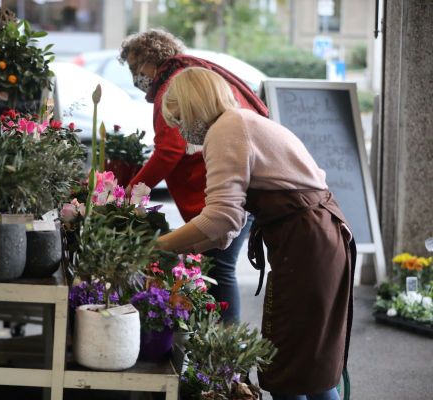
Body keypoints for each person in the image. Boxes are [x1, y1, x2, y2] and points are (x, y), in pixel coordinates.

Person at [157, 67, 355, 400]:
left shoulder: (227, 130)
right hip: (319, 237)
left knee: (289, 368)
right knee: (309, 361)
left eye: (177, 119)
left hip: (307, 241)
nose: (178, 130)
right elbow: (227, 228)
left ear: (192, 106)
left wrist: (158, 245)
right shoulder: (240, 122)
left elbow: (220, 218)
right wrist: (185, 250)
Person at [119, 29, 268, 323]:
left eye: (136, 69)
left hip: (225, 193)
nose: (136, 78)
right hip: (236, 188)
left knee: (219, 270)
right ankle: (217, 352)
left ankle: (224, 356)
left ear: (151, 61)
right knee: (215, 269)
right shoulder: (189, 72)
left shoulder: (174, 87)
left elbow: (169, 150)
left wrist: (129, 195)